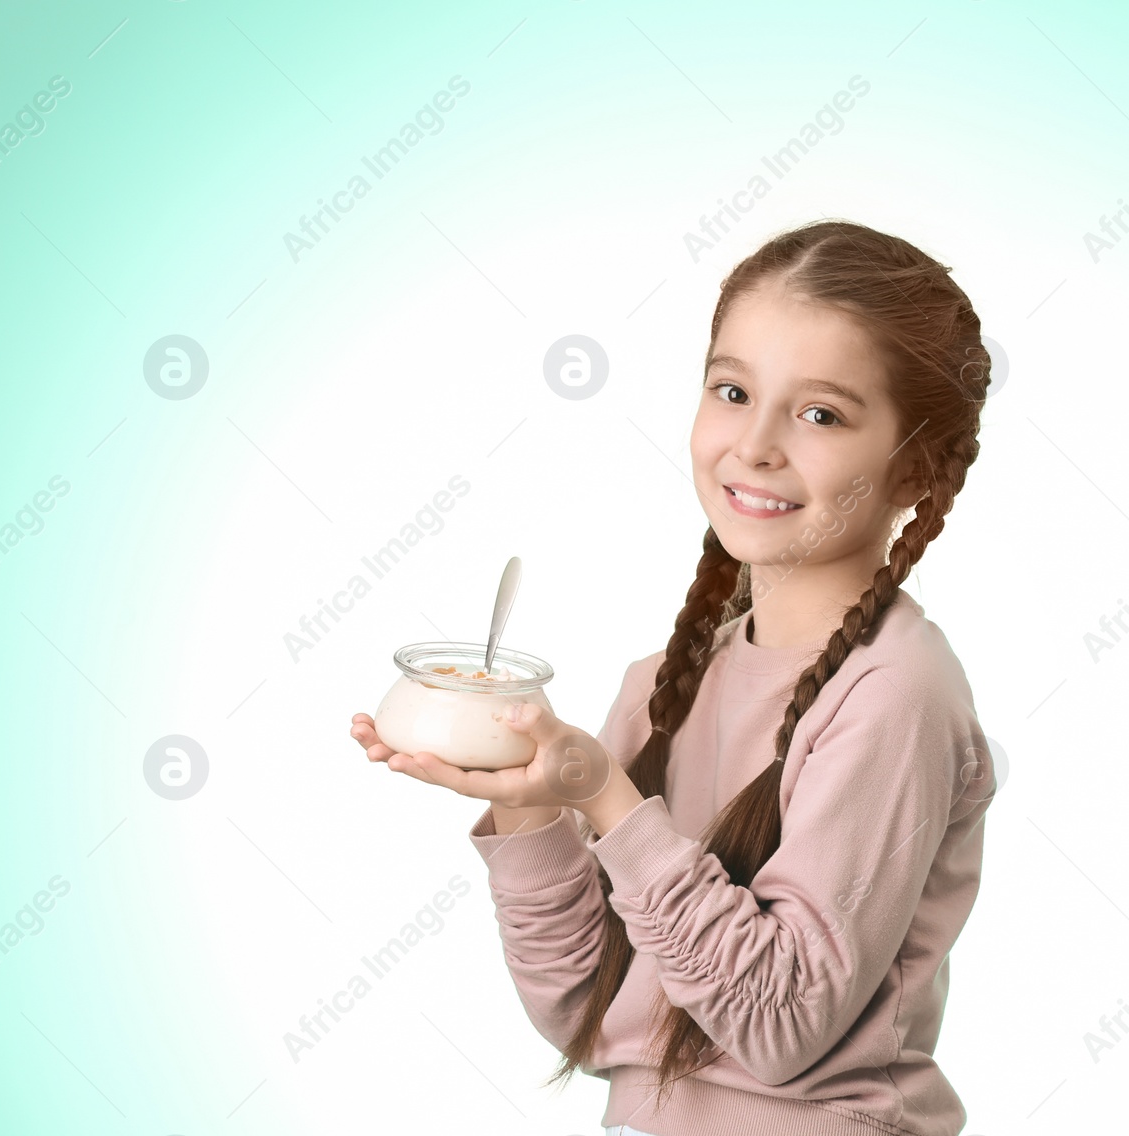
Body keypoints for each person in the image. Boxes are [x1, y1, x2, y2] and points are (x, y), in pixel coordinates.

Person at [351, 218, 996, 1135]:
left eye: (821, 414)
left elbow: (779, 1028)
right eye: (733, 391)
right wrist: (534, 807)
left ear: (915, 470)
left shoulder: (893, 695)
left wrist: (610, 803)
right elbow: (584, 1015)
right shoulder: (665, 685)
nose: (756, 445)